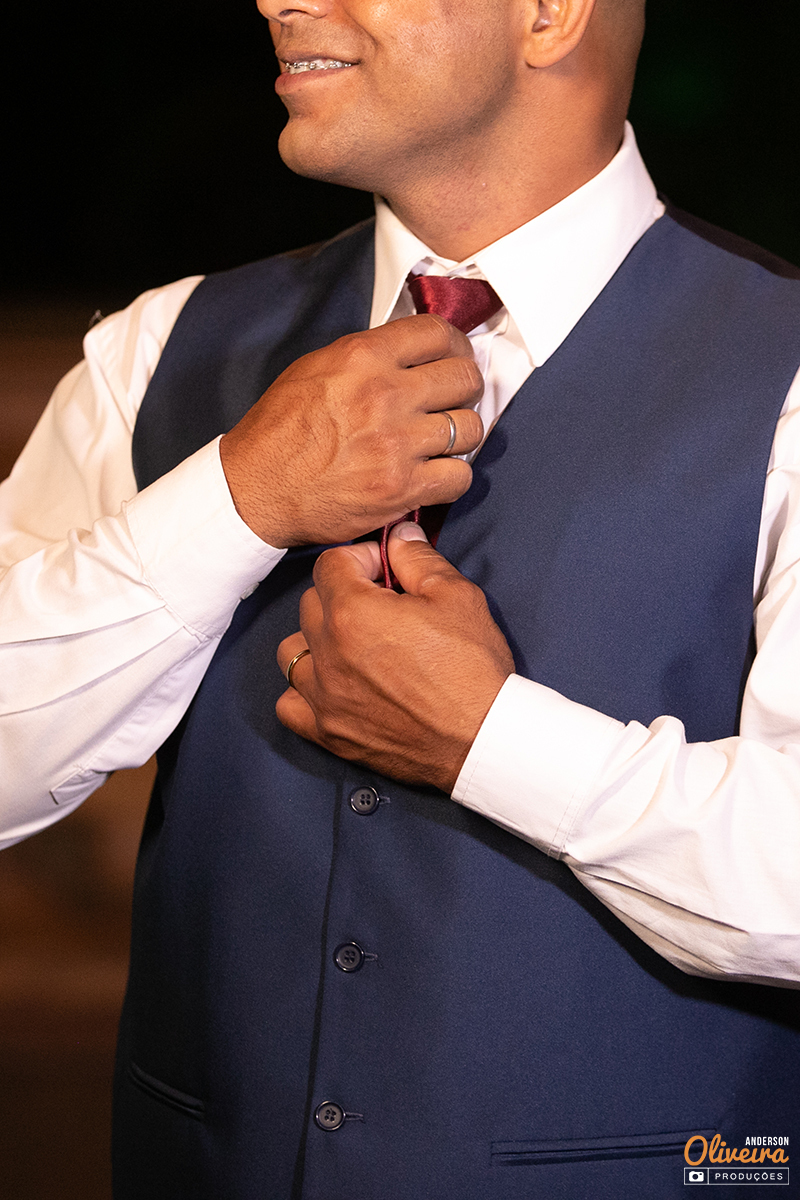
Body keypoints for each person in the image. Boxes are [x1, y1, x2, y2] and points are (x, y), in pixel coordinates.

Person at [1, 0, 799, 1196]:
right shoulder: (157, 350)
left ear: (548, 15)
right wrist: (238, 497)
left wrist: (489, 739)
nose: (279, 0)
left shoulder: (784, 375)